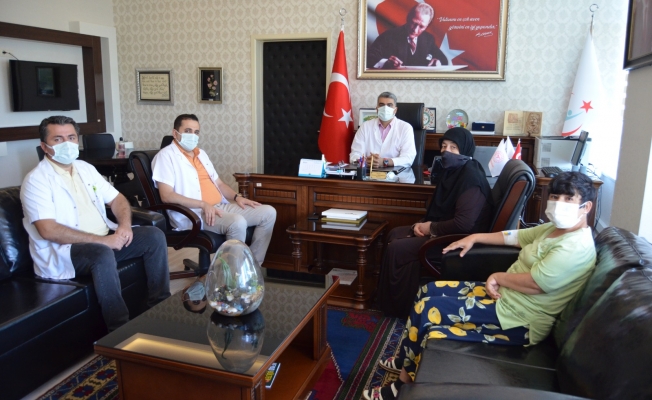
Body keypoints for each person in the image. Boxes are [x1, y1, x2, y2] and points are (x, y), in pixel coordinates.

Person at [364, 171, 597, 400]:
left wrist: (498, 277)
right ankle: (405, 357)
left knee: (427, 309)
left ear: (586, 207)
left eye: (568, 199)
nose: (559, 203)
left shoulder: (575, 246)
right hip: (503, 297)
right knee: (429, 290)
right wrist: (475, 237)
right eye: (555, 197)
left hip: (518, 318)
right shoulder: (553, 229)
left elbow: (536, 284)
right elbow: (514, 237)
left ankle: (402, 386)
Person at [20, 116, 171, 332]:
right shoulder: (36, 180)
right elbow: (48, 230)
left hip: (104, 237)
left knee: (154, 236)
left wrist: (124, 226)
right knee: (101, 253)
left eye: (71, 137)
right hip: (66, 250)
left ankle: (159, 307)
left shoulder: (85, 168)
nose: (66, 144)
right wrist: (103, 241)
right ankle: (119, 330)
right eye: (58, 139)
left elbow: (118, 199)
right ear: (44, 146)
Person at [377, 127, 493, 318]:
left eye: (453, 147)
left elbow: (463, 224)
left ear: (465, 150)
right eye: (444, 146)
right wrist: (422, 224)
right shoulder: (452, 171)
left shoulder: (471, 177)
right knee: (394, 233)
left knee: (398, 248)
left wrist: (430, 227)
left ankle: (400, 311)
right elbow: (441, 210)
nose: (447, 151)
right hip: (445, 232)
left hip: (459, 241)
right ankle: (392, 301)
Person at [152, 114, 276, 265]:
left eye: (196, 132)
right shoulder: (165, 156)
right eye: (188, 131)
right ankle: (232, 275)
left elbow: (220, 184)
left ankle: (252, 267)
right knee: (237, 222)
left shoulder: (201, 154)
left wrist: (237, 197)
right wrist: (202, 204)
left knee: (268, 213)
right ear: (175, 133)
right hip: (195, 213)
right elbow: (167, 195)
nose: (193, 135)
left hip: (219, 206)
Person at [367, 3, 448, 69]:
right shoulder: (389, 36)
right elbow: (369, 57)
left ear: (427, 25)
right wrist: (386, 62)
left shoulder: (428, 39)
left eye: (421, 26)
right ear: (408, 17)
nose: (415, 30)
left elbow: (443, 60)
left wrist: (438, 62)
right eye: (414, 23)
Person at [349, 92, 416, 169]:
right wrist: (365, 161)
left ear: (395, 110)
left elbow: (408, 158)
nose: (385, 108)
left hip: (395, 174)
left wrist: (384, 162)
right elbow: (355, 154)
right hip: (368, 172)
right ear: (377, 109)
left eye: (389, 105)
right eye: (381, 105)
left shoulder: (405, 128)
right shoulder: (365, 126)